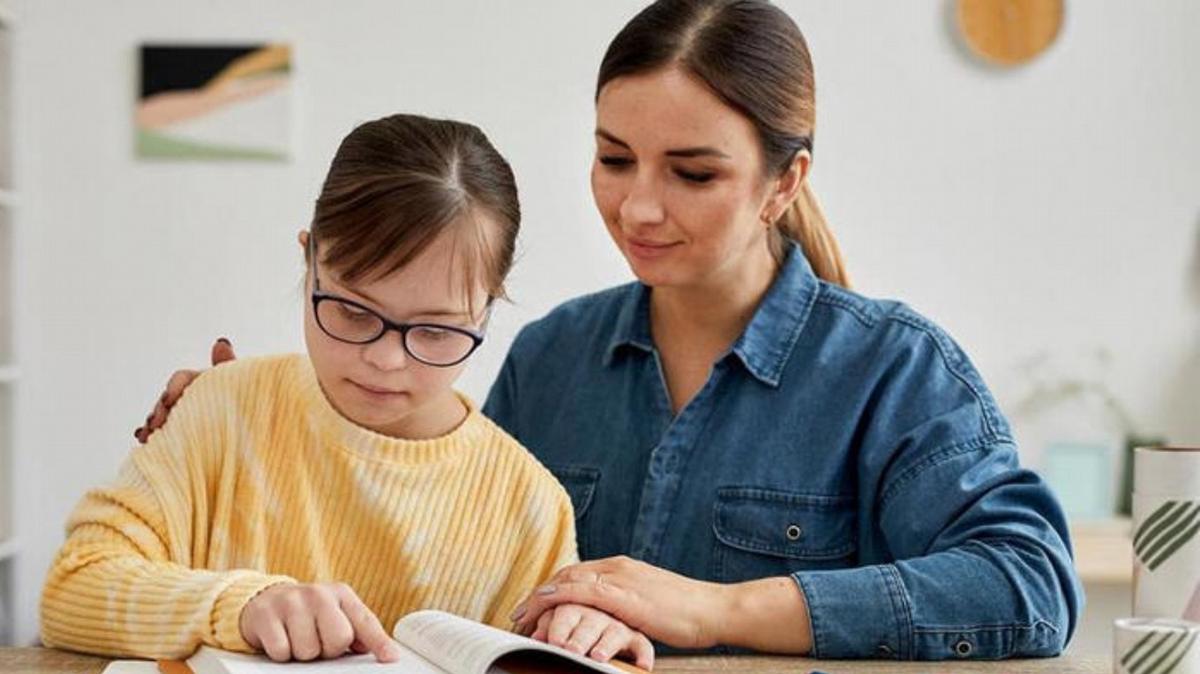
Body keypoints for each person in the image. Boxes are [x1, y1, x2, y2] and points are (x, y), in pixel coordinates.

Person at [136, 0, 1083, 661]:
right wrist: (250, 413)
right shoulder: (553, 357)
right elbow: (429, 534)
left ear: (784, 183)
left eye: (692, 173)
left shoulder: (892, 370)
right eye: (613, 158)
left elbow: (1029, 586)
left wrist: (719, 610)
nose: (638, 207)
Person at [44, 113, 653, 669]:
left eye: (437, 330)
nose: (385, 360)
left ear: (488, 308)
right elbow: (72, 589)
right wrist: (241, 604)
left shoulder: (527, 504)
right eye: (353, 312)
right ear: (309, 260)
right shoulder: (220, 411)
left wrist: (591, 637)